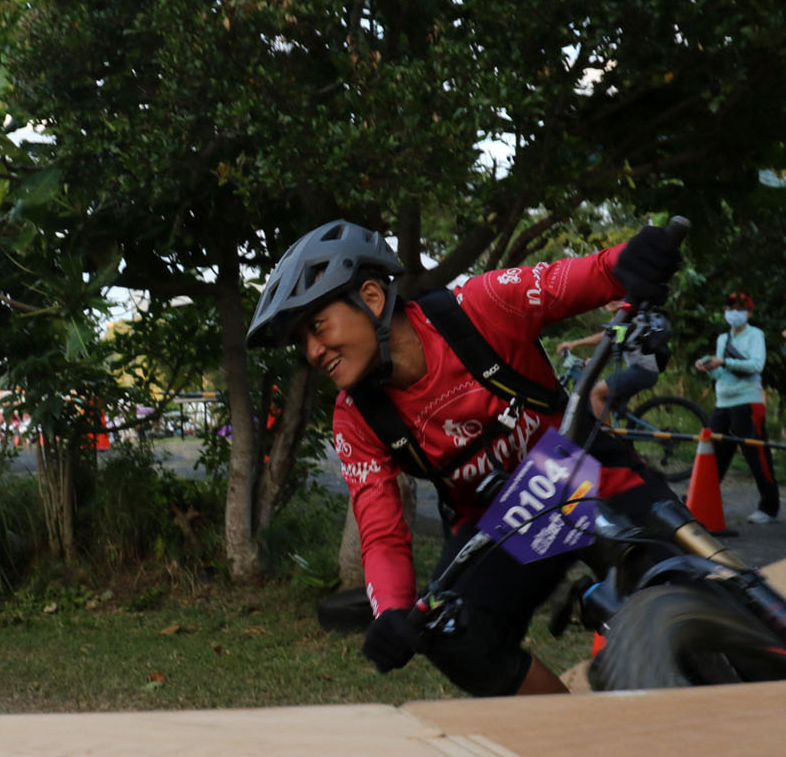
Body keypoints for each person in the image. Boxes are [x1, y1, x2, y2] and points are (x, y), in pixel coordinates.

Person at [247, 219, 684, 697]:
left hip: (576, 470)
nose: (312, 351)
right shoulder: (356, 418)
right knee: (453, 632)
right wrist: (391, 611)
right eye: (301, 342)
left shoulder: (479, 307)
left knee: (687, 588)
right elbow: (381, 531)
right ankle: (573, 737)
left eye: (316, 326)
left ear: (371, 298)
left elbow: (585, 276)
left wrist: (633, 257)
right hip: (504, 521)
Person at [693, 292, 780, 522]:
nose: (733, 313)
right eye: (730, 308)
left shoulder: (755, 335)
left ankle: (769, 506)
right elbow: (722, 371)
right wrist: (710, 366)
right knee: (714, 453)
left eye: (739, 308)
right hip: (723, 401)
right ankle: (702, 498)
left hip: (747, 401)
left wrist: (724, 361)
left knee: (756, 454)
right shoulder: (723, 339)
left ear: (749, 312)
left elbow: (756, 366)